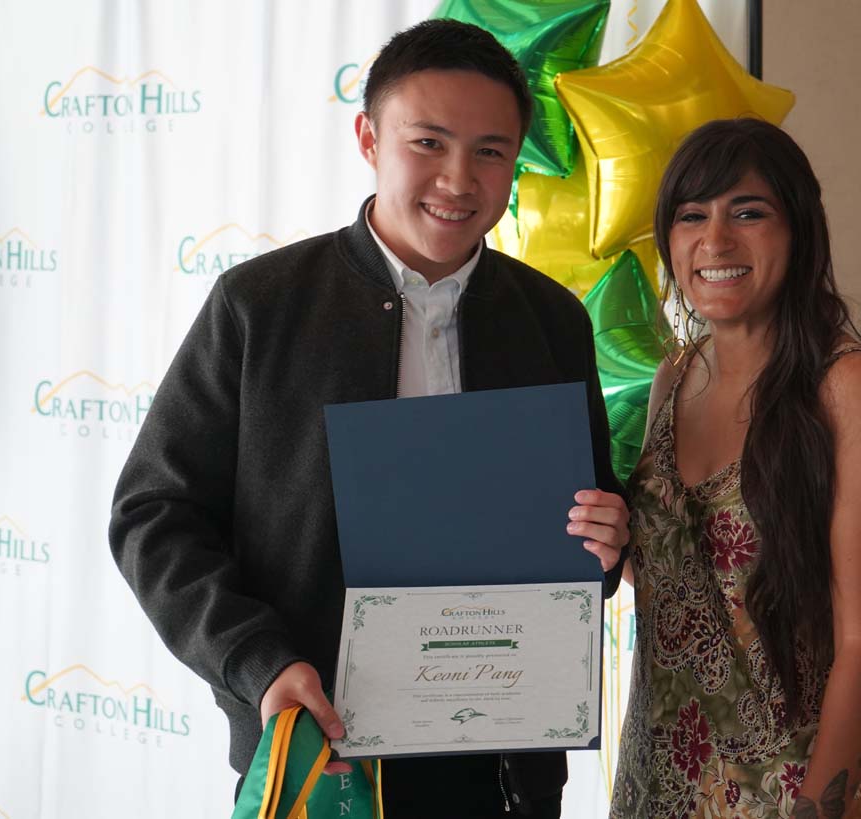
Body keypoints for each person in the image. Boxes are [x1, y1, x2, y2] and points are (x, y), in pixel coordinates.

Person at [109, 19, 629, 819]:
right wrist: (257, 662)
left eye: (491, 151)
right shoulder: (260, 305)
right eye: (428, 142)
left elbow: (588, 536)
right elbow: (154, 513)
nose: (459, 179)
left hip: (502, 769)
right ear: (368, 137)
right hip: (318, 756)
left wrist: (607, 539)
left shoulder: (552, 319)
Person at [609, 119, 861, 819]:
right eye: (692, 216)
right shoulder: (672, 378)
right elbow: (685, 581)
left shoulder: (848, 384)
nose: (715, 241)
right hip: (660, 779)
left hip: (795, 785)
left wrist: (817, 808)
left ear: (799, 229)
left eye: (747, 212)